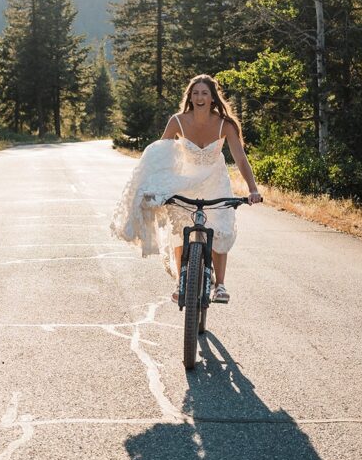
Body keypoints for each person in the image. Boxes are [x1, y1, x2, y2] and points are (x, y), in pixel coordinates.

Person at [110, 74, 262, 303]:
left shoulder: (225, 124)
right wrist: (155, 187)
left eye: (205, 93)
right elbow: (160, 156)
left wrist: (253, 189)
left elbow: (240, 159)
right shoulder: (177, 121)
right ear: (190, 96)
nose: (200, 97)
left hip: (215, 181)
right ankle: (182, 282)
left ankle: (220, 285)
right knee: (181, 232)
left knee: (220, 229)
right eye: (195, 93)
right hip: (185, 181)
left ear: (213, 98)